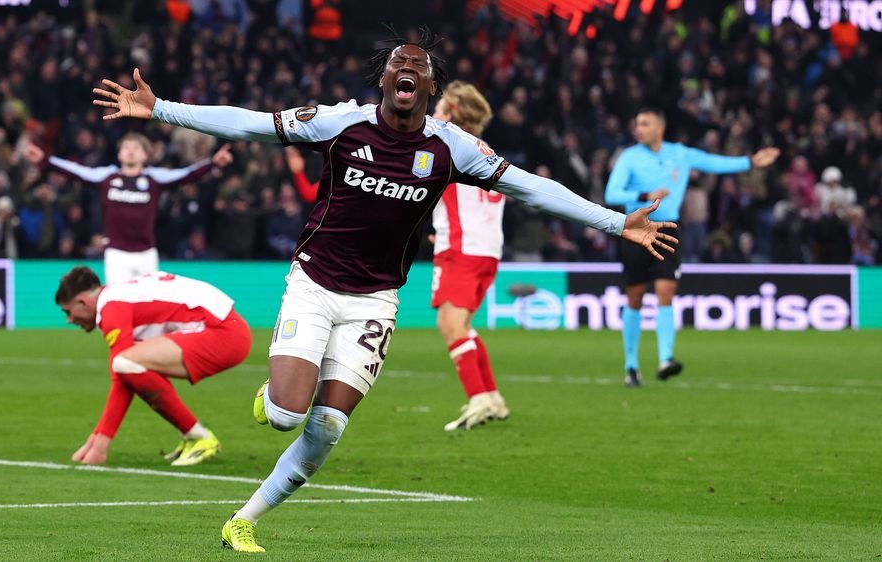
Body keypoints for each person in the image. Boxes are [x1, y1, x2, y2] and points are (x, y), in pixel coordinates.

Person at [92, 28, 677, 553]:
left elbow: (532, 188)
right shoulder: (341, 122)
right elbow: (252, 123)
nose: (408, 69)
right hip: (315, 283)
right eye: (399, 62)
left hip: (374, 300)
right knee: (284, 415)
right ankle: (274, 395)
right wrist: (162, 109)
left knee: (327, 427)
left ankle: (243, 520)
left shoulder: (453, 148)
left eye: (418, 66)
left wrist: (614, 221)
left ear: (429, 86)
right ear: (385, 78)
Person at [604, 107, 780, 387]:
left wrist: (751, 162)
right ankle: (631, 366)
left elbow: (715, 163)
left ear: (659, 128)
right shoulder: (629, 157)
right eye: (637, 123)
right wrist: (643, 195)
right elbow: (611, 193)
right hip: (635, 230)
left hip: (669, 229)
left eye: (645, 123)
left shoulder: (680, 154)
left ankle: (665, 359)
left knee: (665, 291)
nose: (638, 128)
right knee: (635, 296)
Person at [55, 266, 252, 466]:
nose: (69, 320)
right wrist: (96, 437)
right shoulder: (117, 295)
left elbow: (121, 374)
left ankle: (199, 436)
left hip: (224, 334)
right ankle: (193, 436)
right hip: (227, 327)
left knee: (125, 363)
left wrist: (101, 443)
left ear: (83, 302)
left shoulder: (112, 306)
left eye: (68, 312)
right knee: (128, 363)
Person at [24, 135, 233, 282]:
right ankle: (124, 347)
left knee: (147, 306)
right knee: (120, 305)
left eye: (136, 148)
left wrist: (213, 163)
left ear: (145, 155)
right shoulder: (108, 177)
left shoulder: (153, 178)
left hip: (146, 254)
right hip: (116, 254)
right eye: (127, 148)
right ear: (119, 154)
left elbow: (187, 174)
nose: (131, 151)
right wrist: (44, 160)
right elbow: (76, 171)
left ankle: (146, 346)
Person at [428, 80, 508, 431]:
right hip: (486, 250)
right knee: (463, 326)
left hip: (462, 248)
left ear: (453, 113)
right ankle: (491, 396)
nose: (434, 111)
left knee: (450, 324)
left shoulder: (446, 143)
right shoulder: (485, 150)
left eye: (441, 105)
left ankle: (477, 398)